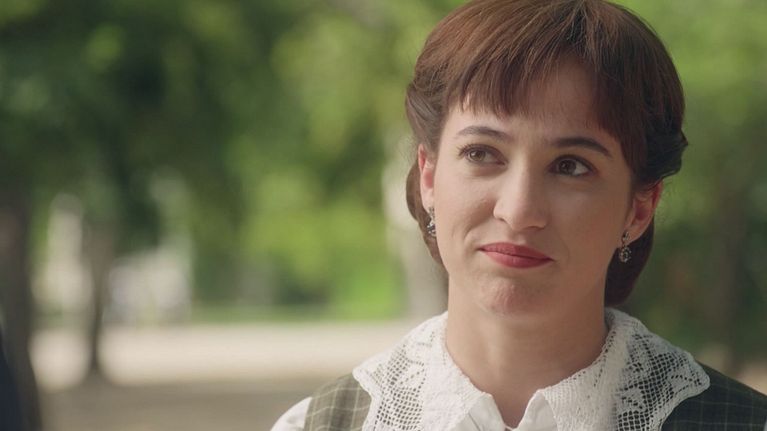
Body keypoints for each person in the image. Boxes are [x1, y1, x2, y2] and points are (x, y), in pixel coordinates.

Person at [272, 0, 767, 429]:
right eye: (482, 154)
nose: (519, 210)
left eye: (571, 166)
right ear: (429, 176)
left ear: (639, 208)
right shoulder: (317, 425)